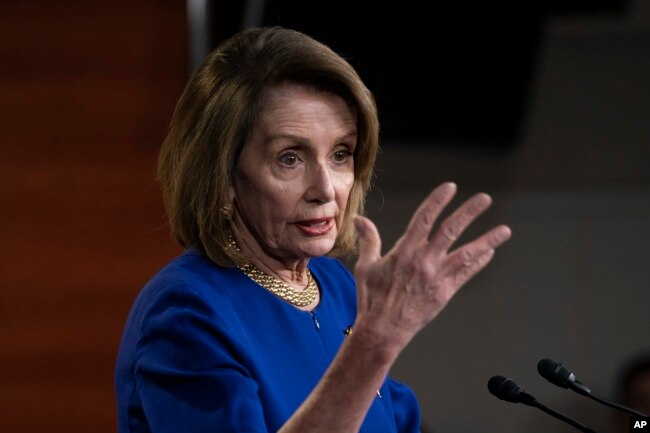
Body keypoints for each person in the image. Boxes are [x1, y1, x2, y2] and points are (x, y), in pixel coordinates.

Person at [114, 26, 512, 433]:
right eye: (290, 158)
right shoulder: (186, 314)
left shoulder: (334, 284)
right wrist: (374, 345)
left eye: (341, 154)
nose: (325, 189)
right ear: (224, 177)